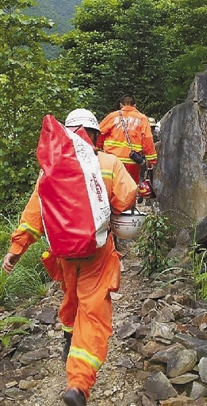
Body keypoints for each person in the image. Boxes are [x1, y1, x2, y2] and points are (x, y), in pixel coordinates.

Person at [2, 108, 137, 406]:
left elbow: (34, 214)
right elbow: (126, 197)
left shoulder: (51, 168)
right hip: (97, 254)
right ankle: (78, 384)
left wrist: (16, 250)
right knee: (93, 314)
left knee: (70, 297)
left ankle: (67, 338)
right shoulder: (109, 162)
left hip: (64, 254)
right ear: (93, 135)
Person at [97, 94, 157, 186]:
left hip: (112, 160)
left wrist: (98, 147)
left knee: (111, 186)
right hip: (132, 161)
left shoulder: (112, 117)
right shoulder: (142, 118)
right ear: (135, 105)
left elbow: (99, 133)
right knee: (129, 188)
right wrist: (151, 160)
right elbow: (147, 139)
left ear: (121, 105)